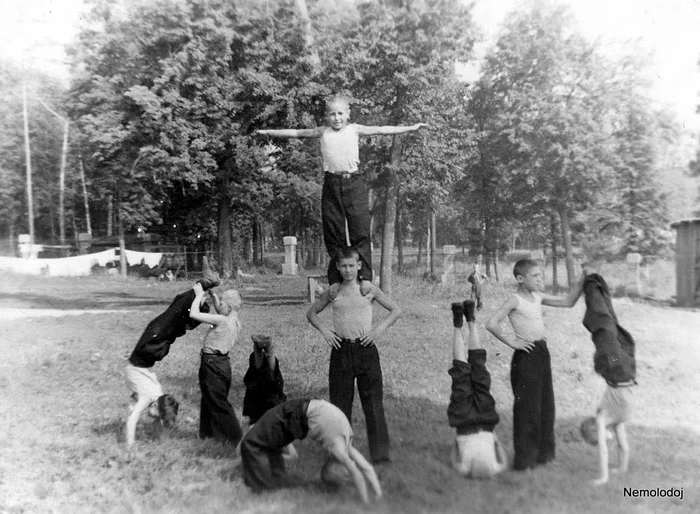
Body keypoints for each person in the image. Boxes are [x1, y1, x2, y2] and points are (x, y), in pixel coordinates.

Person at [258, 95, 428, 285]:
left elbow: (382, 129)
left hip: (354, 183)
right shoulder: (322, 132)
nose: (337, 118)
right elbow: (296, 132)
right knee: (333, 231)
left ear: (348, 114)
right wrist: (268, 132)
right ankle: (336, 278)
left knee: (360, 231)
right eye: (332, 114)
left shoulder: (354, 129)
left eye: (340, 113)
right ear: (326, 116)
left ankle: (364, 278)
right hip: (331, 183)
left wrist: (412, 128)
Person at [485, 259, 584, 470]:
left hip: (542, 354)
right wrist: (513, 342)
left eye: (542, 274)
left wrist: (586, 276)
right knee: (528, 408)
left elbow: (568, 301)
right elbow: (491, 323)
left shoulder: (538, 297)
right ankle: (524, 461)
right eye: (536, 275)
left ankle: (544, 456)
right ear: (521, 279)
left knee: (546, 405)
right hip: (526, 357)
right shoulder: (514, 300)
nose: (541, 279)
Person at [306, 246, 401, 464]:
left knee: (373, 403)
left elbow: (396, 310)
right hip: (340, 351)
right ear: (338, 267)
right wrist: (325, 331)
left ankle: (380, 455)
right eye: (344, 266)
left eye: (352, 266)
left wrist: (378, 330)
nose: (348, 270)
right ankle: (341, 450)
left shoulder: (368, 289)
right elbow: (311, 313)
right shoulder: (333, 291)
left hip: (366, 350)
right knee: (340, 404)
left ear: (359, 266)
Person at [125, 269, 219, 446]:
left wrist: (161, 438)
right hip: (145, 352)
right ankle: (200, 288)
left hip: (145, 355)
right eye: (159, 417)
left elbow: (149, 414)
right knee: (172, 320)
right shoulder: (151, 398)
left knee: (175, 325)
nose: (156, 418)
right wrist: (130, 446)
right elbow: (132, 419)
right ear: (155, 406)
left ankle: (201, 298)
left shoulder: (155, 398)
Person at [240, 398, 382, 504]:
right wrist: (366, 503)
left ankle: (266, 488)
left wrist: (378, 494)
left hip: (305, 411)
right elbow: (358, 472)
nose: (348, 471)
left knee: (254, 443)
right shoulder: (340, 450)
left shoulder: (345, 444)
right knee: (254, 443)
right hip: (300, 412)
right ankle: (271, 483)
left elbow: (366, 468)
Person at [579, 269, 636, 485]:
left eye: (595, 438)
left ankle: (592, 281)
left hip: (619, 370)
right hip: (624, 370)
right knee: (611, 326)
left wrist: (604, 477)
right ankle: (597, 283)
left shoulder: (604, 417)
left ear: (595, 428)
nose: (601, 441)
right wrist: (621, 469)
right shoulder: (616, 421)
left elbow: (605, 448)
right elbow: (624, 446)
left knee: (604, 329)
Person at [448, 299, 508, 478]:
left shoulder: (467, 469)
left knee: (464, 372)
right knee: (477, 371)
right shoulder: (488, 469)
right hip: (479, 421)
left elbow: (503, 461)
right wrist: (456, 445)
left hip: (468, 423)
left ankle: (460, 322)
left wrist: (497, 444)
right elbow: (503, 462)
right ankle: (468, 319)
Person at [189, 284, 244, 447]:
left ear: (228, 306)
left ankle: (236, 436)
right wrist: (214, 297)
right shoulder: (235, 321)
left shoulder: (221, 320)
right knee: (209, 398)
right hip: (222, 363)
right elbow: (222, 310)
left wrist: (198, 295)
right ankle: (208, 434)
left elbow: (193, 314)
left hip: (212, 363)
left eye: (221, 304)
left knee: (217, 401)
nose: (218, 306)